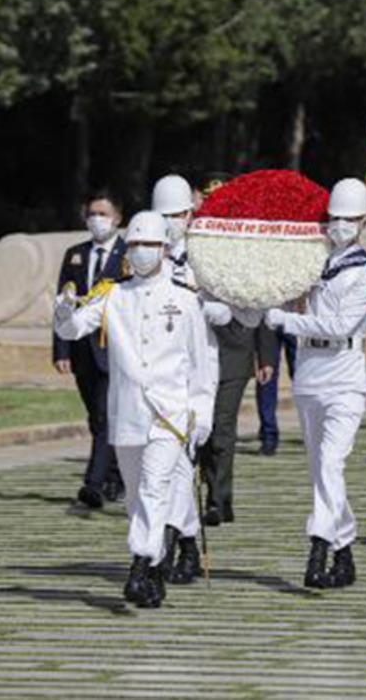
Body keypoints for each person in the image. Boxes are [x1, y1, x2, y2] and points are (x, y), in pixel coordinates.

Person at [53, 211, 217, 608]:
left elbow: (202, 361)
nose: (142, 253)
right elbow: (72, 329)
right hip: (127, 413)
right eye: (136, 245)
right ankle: (157, 567)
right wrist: (62, 309)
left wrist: (202, 411)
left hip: (171, 412)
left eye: (151, 245)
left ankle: (140, 565)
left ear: (164, 248)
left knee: (154, 486)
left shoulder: (184, 298)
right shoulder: (113, 294)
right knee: (136, 499)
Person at [265, 178, 366, 588]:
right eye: (333, 218)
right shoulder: (314, 263)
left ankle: (318, 547)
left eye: (348, 219)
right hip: (309, 373)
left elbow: (341, 324)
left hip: (344, 376)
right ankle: (345, 553)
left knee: (331, 464)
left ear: (363, 221)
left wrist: (287, 320)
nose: (339, 226)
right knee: (322, 471)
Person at [150, 173, 232, 583]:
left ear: (189, 214)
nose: (169, 223)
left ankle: (176, 545)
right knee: (171, 463)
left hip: (198, 364)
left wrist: (197, 300)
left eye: (176, 214)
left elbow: (226, 312)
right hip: (161, 367)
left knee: (184, 458)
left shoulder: (204, 256)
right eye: (162, 215)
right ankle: (180, 543)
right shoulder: (148, 253)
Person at [53, 189, 128, 509]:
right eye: (92, 214)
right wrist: (61, 350)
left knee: (106, 415)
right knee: (96, 418)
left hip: (115, 349)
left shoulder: (128, 254)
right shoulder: (75, 254)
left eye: (103, 214)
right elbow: (62, 305)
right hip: (82, 350)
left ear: (117, 218)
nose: (96, 220)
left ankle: (93, 484)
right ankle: (117, 476)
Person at [201, 319, 275, 526]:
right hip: (196, 356)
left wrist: (266, 357)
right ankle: (212, 494)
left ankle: (217, 500)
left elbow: (261, 308)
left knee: (221, 429)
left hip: (235, 354)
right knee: (201, 428)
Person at [255, 328, 297, 455]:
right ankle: (269, 438)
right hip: (268, 321)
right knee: (266, 378)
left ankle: (315, 430)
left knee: (304, 379)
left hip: (298, 319)